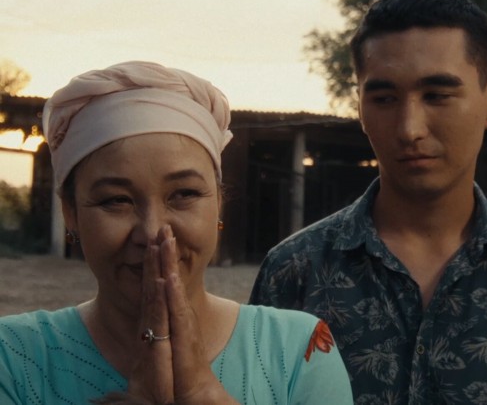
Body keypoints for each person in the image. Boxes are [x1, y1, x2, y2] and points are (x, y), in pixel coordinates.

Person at [250, 0, 487, 404]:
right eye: (384, 98)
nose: (409, 128)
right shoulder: (293, 274)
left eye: (437, 95)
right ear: (359, 107)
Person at [0, 61, 353, 405]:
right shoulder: (15, 358)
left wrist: (201, 394)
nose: (153, 232)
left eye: (183, 194)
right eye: (117, 200)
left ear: (219, 204)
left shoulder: (298, 351)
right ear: (71, 213)